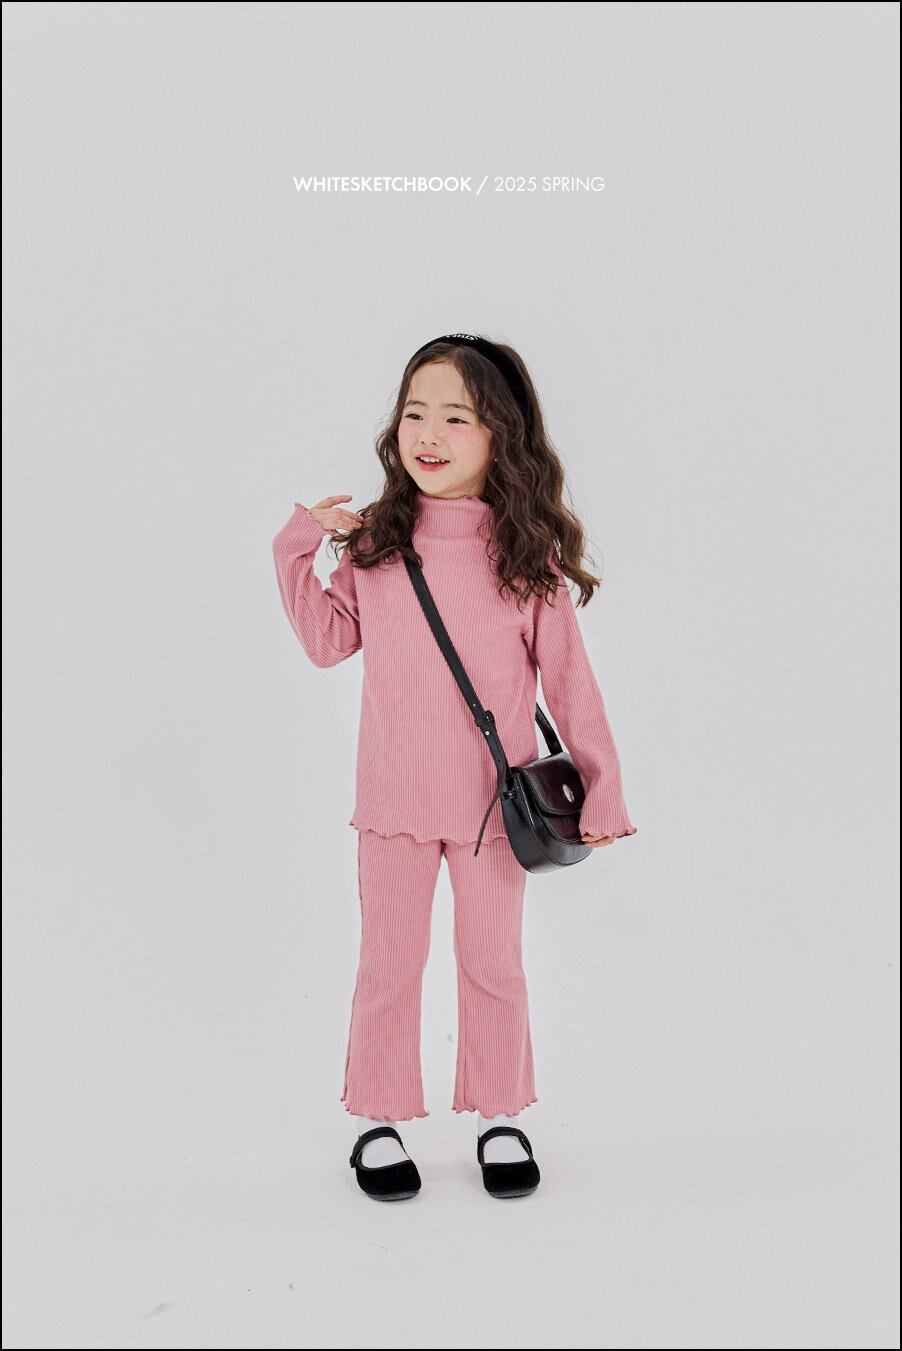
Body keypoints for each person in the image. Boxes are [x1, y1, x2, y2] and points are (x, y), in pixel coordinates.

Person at [271, 333, 637, 1201]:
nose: (428, 434)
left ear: (501, 435)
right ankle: (378, 1119)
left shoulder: (524, 556)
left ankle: (500, 1112)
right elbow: (327, 642)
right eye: (415, 413)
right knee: (388, 967)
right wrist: (297, 543)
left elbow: (570, 681)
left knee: (493, 965)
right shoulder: (376, 546)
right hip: (393, 801)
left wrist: (604, 785)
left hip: (493, 812)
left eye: (456, 418)